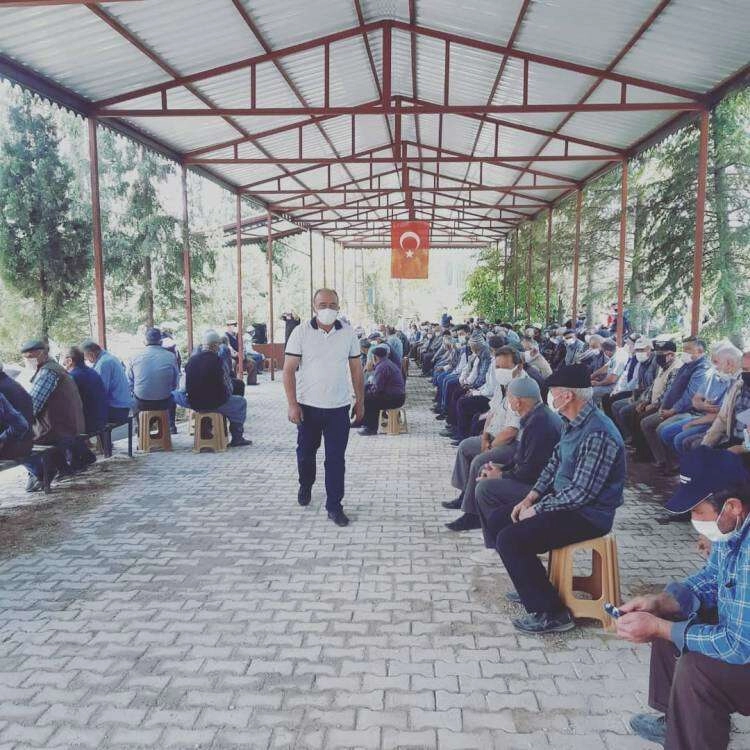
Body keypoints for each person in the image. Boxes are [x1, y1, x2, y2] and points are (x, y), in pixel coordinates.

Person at [617, 448, 750, 750]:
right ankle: (677, 720)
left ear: (732, 506)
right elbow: (712, 580)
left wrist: (660, 628)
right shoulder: (732, 526)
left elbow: (739, 645)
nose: (694, 520)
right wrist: (659, 603)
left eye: (697, 511)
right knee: (670, 615)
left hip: (745, 643)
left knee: (697, 670)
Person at [483, 364, 626, 634]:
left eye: (554, 392)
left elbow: (581, 493)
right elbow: (554, 464)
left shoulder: (599, 432)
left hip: (589, 515)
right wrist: (531, 497)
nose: (551, 397)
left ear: (568, 396)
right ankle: (532, 585)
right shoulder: (572, 422)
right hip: (567, 504)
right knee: (499, 519)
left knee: (511, 539)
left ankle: (553, 613)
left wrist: (539, 509)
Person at [283, 289, 364, 527]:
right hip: (308, 407)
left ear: (338, 306)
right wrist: (292, 404)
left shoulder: (348, 333)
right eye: (322, 304)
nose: (327, 309)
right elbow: (288, 370)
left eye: (332, 304)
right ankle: (305, 484)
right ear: (314, 306)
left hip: (338, 408)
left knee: (336, 460)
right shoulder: (300, 332)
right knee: (305, 453)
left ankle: (334, 506)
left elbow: (356, 370)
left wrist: (360, 401)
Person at [474, 377, 562, 550]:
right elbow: (521, 459)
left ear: (518, 402)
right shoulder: (536, 416)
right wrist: (500, 468)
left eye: (509, 398)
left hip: (541, 489)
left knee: (485, 489)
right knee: (485, 469)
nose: (508, 402)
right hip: (532, 480)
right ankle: (499, 532)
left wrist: (501, 475)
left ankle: (495, 544)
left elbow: (531, 472)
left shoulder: (539, 424)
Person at [444, 347, 527, 531]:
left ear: (519, 367)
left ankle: (472, 514)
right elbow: (492, 412)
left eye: (505, 367)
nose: (500, 371)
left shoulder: (523, 388)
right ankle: (465, 495)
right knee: (466, 446)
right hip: (495, 435)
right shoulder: (502, 384)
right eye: (497, 367)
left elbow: (512, 431)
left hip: (514, 443)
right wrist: (485, 437)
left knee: (479, 461)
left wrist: (491, 446)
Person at [657, 344, 742, 466]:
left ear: (729, 363)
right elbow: (695, 400)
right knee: (666, 432)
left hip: (714, 423)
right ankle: (683, 466)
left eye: (716, 362)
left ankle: (689, 467)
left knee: (682, 440)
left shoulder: (736, 383)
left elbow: (720, 417)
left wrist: (694, 422)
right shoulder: (716, 375)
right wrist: (702, 406)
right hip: (705, 417)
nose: (715, 367)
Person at [20, 339, 85, 492]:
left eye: (30, 357)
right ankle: (58, 467)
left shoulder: (47, 373)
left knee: (14, 442)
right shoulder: (55, 368)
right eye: (25, 357)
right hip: (68, 425)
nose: (27, 361)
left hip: (59, 430)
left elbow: (32, 408)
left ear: (41, 354)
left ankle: (40, 473)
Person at [172, 330, 251, 448]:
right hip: (216, 403)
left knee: (173, 394)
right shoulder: (219, 361)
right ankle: (237, 438)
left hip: (195, 403)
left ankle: (182, 427)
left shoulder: (191, 361)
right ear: (214, 345)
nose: (219, 347)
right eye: (218, 345)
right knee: (240, 402)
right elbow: (228, 387)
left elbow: (184, 387)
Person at [640, 337, 710, 470]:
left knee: (662, 429)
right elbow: (672, 389)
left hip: (689, 412)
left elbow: (690, 396)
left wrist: (672, 410)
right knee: (646, 423)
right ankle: (662, 460)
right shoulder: (687, 365)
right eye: (684, 349)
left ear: (700, 351)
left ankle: (674, 463)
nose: (685, 352)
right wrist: (664, 406)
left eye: (688, 349)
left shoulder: (702, 369)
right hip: (673, 408)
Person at [63, 346, 107, 471]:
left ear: (70, 360)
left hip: (90, 423)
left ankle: (78, 459)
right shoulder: (92, 372)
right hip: (102, 418)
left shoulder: (73, 377)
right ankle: (84, 455)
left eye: (64, 359)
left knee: (60, 430)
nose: (63, 362)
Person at [127, 328, 180, 433]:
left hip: (142, 402)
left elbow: (130, 382)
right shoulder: (171, 356)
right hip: (164, 402)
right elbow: (175, 383)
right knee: (173, 397)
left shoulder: (135, 357)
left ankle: (141, 429)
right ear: (161, 341)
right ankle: (170, 427)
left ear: (145, 341)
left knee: (134, 400)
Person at [701, 350, 750, 457]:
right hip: (734, 440)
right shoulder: (738, 387)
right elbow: (722, 419)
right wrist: (706, 445)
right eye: (745, 369)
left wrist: (742, 448)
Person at [81, 339, 132, 423]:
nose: (87, 361)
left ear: (91, 354)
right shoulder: (109, 358)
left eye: (86, 358)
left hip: (116, 408)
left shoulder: (104, 363)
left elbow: (101, 391)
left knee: (85, 415)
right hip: (121, 406)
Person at [358, 346, 405, 436]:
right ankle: (364, 422)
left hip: (394, 399)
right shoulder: (387, 363)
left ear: (375, 357)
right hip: (398, 396)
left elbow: (377, 389)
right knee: (367, 392)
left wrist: (365, 393)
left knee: (369, 400)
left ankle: (370, 428)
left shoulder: (381, 367)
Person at [0, 360, 33, 461]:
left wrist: (2, 439)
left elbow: (20, 425)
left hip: (14, 445)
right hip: (26, 441)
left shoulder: (3, 388)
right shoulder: (11, 382)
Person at [590, 339, 625, 406]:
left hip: (615, 387)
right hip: (610, 382)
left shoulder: (619, 359)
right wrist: (592, 376)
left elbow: (612, 379)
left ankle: (595, 410)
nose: (604, 354)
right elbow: (605, 368)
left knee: (591, 392)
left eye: (604, 352)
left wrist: (598, 384)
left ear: (607, 352)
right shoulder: (616, 352)